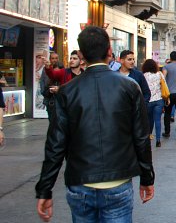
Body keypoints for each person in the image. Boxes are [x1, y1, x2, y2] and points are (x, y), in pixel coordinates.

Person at [35, 26, 154, 222]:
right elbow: (141, 137)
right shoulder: (129, 87)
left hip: (81, 181)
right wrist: (147, 177)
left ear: (81, 55)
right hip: (118, 181)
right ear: (109, 52)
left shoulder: (67, 91)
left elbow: (56, 144)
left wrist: (45, 188)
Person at [44, 50, 83, 125]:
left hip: (79, 108)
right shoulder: (64, 72)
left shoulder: (84, 74)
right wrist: (48, 66)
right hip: (66, 108)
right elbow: (52, 74)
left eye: (74, 59)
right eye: (70, 58)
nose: (71, 60)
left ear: (81, 61)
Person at [142, 59, 165, 147]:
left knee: (149, 120)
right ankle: (158, 140)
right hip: (159, 99)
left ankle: (149, 136)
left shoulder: (144, 75)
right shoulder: (159, 74)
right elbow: (164, 85)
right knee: (158, 120)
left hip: (148, 100)